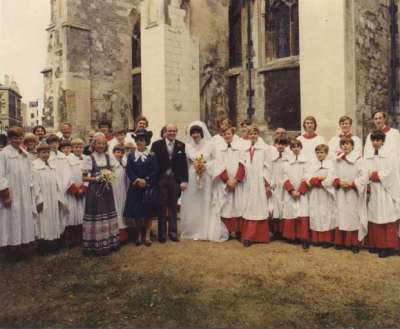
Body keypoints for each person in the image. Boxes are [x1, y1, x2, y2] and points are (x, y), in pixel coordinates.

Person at [0, 127, 36, 260]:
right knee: (10, 219)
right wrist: (5, 195)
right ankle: (10, 248)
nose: (17, 140)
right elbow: (1, 175)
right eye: (15, 138)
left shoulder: (24, 153)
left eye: (20, 138)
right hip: (11, 192)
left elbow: (30, 172)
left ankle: (21, 245)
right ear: (9, 139)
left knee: (22, 218)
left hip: (24, 192)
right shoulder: (4, 154)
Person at [82, 133, 120, 256]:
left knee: (108, 213)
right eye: (98, 143)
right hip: (95, 192)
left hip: (107, 190)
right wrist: (97, 178)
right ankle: (95, 244)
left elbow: (114, 170)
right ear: (94, 144)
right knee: (96, 214)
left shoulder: (109, 157)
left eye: (103, 144)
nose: (101, 146)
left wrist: (109, 176)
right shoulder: (90, 158)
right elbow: (84, 178)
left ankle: (109, 242)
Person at [365, 130, 400, 258]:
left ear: (383, 141)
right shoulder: (368, 156)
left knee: (386, 217)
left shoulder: (389, 155)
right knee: (375, 217)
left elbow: (390, 172)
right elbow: (365, 170)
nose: (375, 142)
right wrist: (367, 177)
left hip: (385, 190)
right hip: (374, 190)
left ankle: (388, 247)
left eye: (378, 140)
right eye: (373, 140)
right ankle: (376, 244)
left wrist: (374, 175)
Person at [151, 123, 188, 243]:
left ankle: (172, 233)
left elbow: (183, 165)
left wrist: (184, 181)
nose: (171, 133)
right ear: (165, 132)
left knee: (173, 207)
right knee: (161, 207)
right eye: (169, 131)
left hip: (175, 180)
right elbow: (153, 163)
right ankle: (161, 235)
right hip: (160, 179)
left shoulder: (181, 145)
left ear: (176, 132)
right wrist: (153, 180)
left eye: (174, 131)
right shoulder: (157, 145)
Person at [180, 122, 217, 241]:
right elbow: (185, 163)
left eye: (197, 133)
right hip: (192, 177)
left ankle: (204, 230)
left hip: (206, 176)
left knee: (204, 200)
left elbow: (216, 160)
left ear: (201, 133)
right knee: (193, 201)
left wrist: (205, 165)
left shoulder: (210, 145)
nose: (195, 135)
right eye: (193, 133)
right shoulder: (187, 146)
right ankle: (193, 229)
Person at [240, 126, 273, 247]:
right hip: (248, 181)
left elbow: (268, 166)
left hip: (259, 182)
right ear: (248, 135)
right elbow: (243, 164)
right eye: (250, 134)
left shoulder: (264, 148)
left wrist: (265, 182)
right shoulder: (246, 148)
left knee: (258, 207)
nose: (253, 135)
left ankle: (254, 236)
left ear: (258, 134)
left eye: (255, 133)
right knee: (249, 206)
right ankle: (247, 234)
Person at [333, 138, 368, 253]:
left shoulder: (359, 159)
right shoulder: (338, 159)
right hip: (341, 192)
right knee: (341, 215)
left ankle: (354, 243)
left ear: (352, 146)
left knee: (353, 216)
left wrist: (353, 184)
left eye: (347, 144)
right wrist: (338, 182)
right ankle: (341, 242)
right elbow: (332, 174)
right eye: (343, 144)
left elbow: (364, 176)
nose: (345, 146)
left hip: (353, 192)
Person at [124, 129, 158, 246]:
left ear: (146, 141)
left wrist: (146, 180)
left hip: (148, 188)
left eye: (142, 140)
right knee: (137, 213)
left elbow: (155, 170)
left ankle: (147, 235)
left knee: (148, 213)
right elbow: (129, 170)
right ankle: (139, 234)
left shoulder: (152, 155)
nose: (139, 142)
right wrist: (137, 180)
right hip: (135, 187)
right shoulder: (131, 156)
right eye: (137, 140)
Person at [213, 126, 246, 240]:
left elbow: (243, 164)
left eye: (229, 134)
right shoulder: (219, 149)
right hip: (225, 183)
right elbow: (219, 165)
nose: (227, 136)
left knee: (239, 205)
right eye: (225, 134)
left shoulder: (240, 147)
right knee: (226, 206)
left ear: (233, 134)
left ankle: (239, 231)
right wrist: (227, 180)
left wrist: (236, 180)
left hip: (238, 182)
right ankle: (227, 230)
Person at [32, 142, 63, 254]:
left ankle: (54, 244)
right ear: (38, 153)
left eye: (47, 152)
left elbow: (57, 182)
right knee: (43, 222)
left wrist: (59, 197)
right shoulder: (34, 166)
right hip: (43, 199)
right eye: (43, 152)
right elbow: (34, 185)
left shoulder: (51, 165)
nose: (46, 154)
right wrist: (38, 199)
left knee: (53, 220)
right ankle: (43, 247)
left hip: (53, 197)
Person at [281, 139, 310, 249]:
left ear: (301, 147)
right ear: (291, 148)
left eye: (298, 146)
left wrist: (300, 190)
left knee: (302, 214)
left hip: (302, 192)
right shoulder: (287, 162)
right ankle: (292, 237)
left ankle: (304, 238)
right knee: (291, 213)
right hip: (291, 193)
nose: (296, 148)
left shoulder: (306, 161)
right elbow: (284, 177)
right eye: (294, 146)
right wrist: (291, 190)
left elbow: (307, 176)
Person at [306, 144, 336, 248]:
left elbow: (331, 178)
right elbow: (307, 177)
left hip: (325, 193)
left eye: (322, 152)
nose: (319, 154)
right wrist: (318, 179)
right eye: (318, 152)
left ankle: (326, 240)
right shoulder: (312, 165)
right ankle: (316, 239)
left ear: (326, 154)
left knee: (326, 214)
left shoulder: (331, 165)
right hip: (315, 193)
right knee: (316, 214)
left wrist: (319, 181)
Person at [63, 138, 87, 247]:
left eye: (81, 147)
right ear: (72, 148)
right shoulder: (67, 159)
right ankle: (70, 240)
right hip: (72, 192)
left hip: (83, 191)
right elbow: (66, 176)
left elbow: (89, 175)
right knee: (71, 215)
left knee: (82, 215)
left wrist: (84, 188)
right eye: (76, 147)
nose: (79, 149)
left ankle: (81, 237)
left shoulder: (86, 159)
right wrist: (75, 190)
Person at [47, 134, 69, 237]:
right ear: (48, 144)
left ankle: (62, 235)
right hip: (53, 189)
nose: (54, 145)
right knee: (53, 213)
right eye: (51, 143)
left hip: (64, 188)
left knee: (63, 213)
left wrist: (64, 186)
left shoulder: (63, 156)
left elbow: (67, 173)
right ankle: (53, 236)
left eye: (56, 142)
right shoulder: (47, 157)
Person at [270, 137, 290, 240]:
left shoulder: (288, 158)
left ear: (286, 145)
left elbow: (288, 172)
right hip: (275, 187)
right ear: (275, 145)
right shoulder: (273, 159)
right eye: (278, 144)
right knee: (275, 208)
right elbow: (271, 172)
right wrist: (272, 182)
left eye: (283, 144)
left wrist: (284, 183)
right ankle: (276, 232)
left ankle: (284, 232)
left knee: (284, 208)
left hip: (285, 187)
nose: (280, 146)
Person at [112, 145, 129, 244]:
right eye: (117, 152)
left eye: (122, 153)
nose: (120, 154)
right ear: (113, 153)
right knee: (116, 209)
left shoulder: (124, 163)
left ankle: (124, 233)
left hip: (123, 189)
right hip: (114, 190)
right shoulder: (111, 164)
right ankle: (116, 233)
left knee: (122, 208)